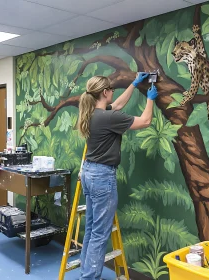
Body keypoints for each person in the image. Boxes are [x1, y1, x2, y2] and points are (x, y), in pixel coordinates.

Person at [76, 73, 157, 280]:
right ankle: (89, 277)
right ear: (104, 92)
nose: (113, 92)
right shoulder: (108, 118)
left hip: (89, 172)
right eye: (111, 89)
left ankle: (85, 272)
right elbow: (146, 121)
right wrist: (150, 99)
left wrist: (134, 84)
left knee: (93, 228)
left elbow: (118, 104)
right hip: (102, 177)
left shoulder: (94, 113)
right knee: (100, 234)